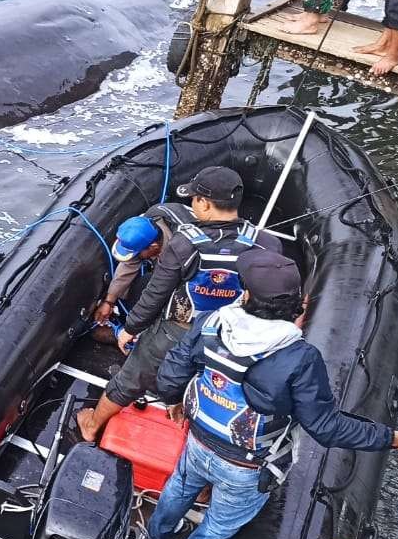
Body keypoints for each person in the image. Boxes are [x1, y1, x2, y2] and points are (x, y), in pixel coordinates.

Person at [144, 249, 398, 539]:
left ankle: (153, 538)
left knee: (178, 488)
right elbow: (326, 427)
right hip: (246, 466)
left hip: (198, 439)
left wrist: (175, 400)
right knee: (218, 526)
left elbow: (171, 372)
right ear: (300, 304)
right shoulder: (301, 358)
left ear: (246, 295)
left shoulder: (210, 323)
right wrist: (394, 438)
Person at [77, 167, 281, 442]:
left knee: (131, 378)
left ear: (205, 203)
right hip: (229, 334)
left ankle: (92, 425)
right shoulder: (268, 243)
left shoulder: (185, 244)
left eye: (195, 198)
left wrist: (130, 329)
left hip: (178, 329)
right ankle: (186, 413)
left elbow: (155, 294)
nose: (193, 204)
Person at [92, 202, 197, 336]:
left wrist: (132, 329)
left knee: (150, 285)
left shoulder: (180, 251)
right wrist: (109, 301)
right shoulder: (147, 226)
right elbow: (128, 266)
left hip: (194, 275)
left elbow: (158, 290)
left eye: (137, 253)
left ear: (154, 247)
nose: (134, 257)